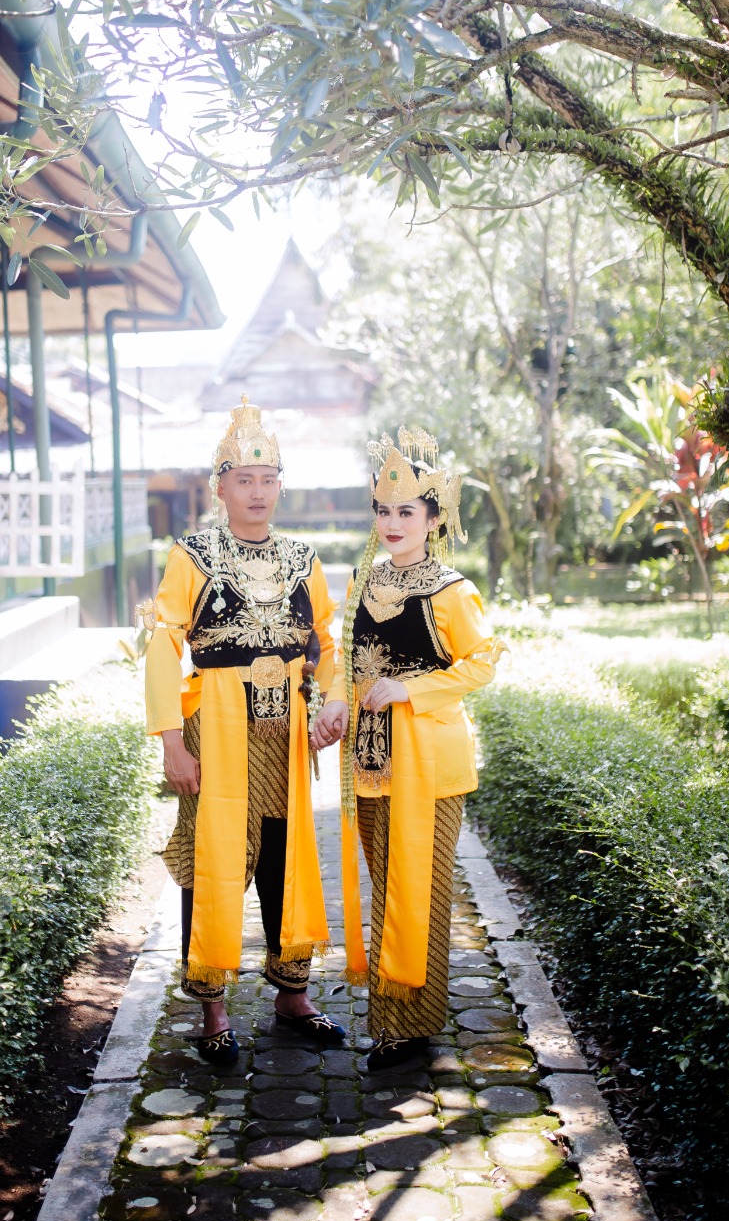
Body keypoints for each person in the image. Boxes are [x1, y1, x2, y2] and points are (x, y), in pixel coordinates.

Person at [143, 397, 345, 1065]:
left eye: (268, 479)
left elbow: (328, 642)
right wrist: (172, 740)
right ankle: (213, 1009)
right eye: (244, 479)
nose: (257, 491)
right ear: (220, 487)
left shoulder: (304, 558)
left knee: (286, 858)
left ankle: (293, 995)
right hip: (216, 727)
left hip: (285, 733)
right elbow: (164, 642)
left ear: (280, 485)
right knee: (214, 859)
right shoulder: (193, 555)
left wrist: (331, 702)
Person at [311, 427, 507, 1072]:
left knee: (418, 888)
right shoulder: (363, 583)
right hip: (370, 763)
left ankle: (409, 1026)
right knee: (388, 887)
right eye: (383, 511)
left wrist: (410, 688)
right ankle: (397, 1017)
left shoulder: (451, 590)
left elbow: (483, 662)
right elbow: (345, 662)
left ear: (433, 518)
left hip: (427, 762)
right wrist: (335, 702)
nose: (392, 524)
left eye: (405, 512)